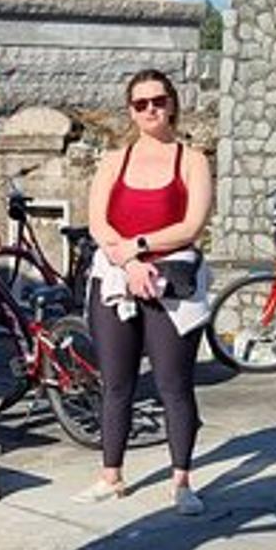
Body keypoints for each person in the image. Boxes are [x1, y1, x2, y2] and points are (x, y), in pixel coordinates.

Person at [76, 69, 213, 513]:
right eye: (140, 104)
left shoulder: (191, 159)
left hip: (171, 280)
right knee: (116, 383)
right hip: (118, 278)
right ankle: (110, 475)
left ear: (171, 103)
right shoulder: (115, 160)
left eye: (158, 101)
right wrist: (130, 263)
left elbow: (193, 226)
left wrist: (140, 246)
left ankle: (182, 482)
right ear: (130, 111)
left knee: (174, 384)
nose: (150, 109)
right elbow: (99, 223)